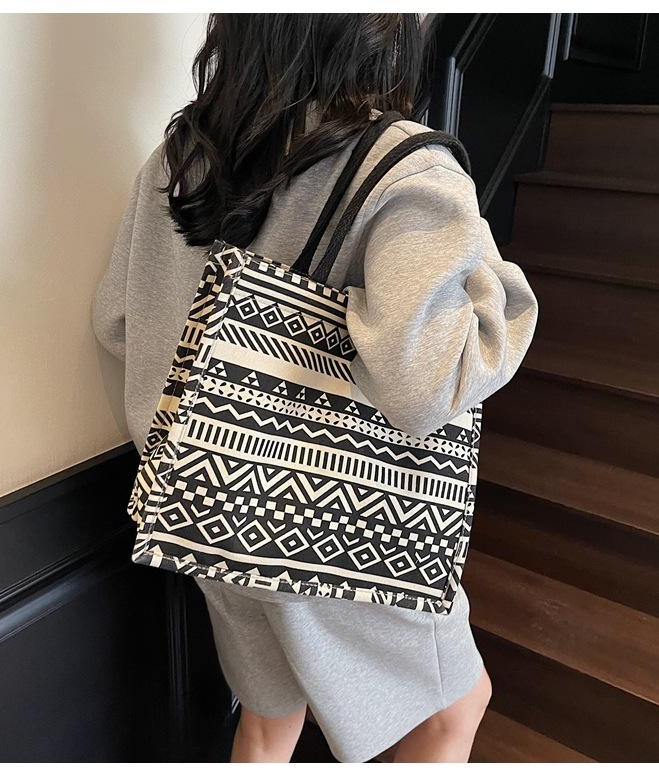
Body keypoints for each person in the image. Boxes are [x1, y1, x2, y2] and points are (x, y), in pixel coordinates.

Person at [92, 13, 538, 763]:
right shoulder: (407, 168)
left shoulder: (182, 154)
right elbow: (425, 384)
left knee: (268, 723)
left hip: (204, 500)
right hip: (338, 531)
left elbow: (118, 320)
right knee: (452, 710)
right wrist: (499, 288)